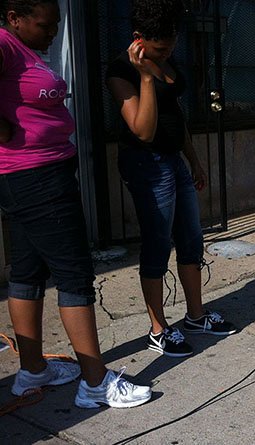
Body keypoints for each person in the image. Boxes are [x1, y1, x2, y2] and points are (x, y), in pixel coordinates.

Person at [0, 0, 151, 408]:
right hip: (35, 177)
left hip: (34, 176)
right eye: (44, 25)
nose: (52, 34)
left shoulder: (25, 50)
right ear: (14, 18)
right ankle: (96, 383)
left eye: (56, 26)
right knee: (74, 275)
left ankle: (32, 370)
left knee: (29, 272)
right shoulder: (4, 43)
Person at [106, 0, 236, 358]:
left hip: (174, 160)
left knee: (192, 239)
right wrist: (146, 76)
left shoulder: (168, 59)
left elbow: (174, 114)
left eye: (172, 44)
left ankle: (195, 315)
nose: (167, 52)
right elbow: (143, 130)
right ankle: (158, 328)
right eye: (160, 47)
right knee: (158, 244)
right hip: (145, 163)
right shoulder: (121, 71)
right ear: (138, 39)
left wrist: (192, 159)